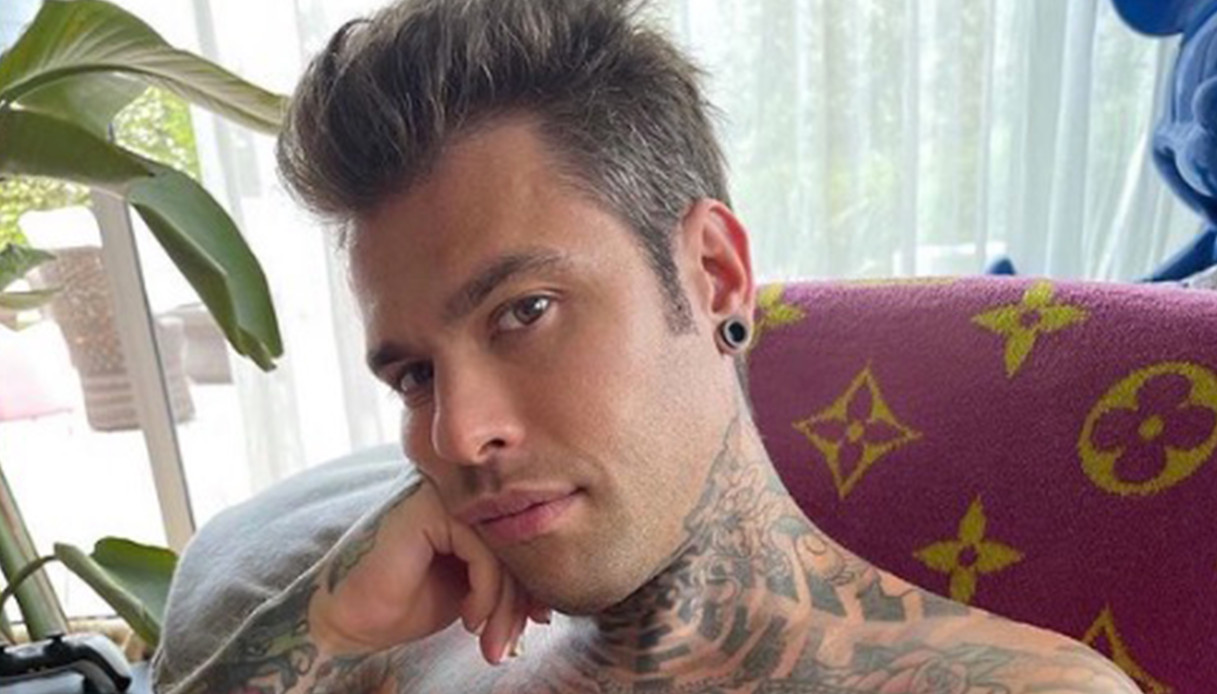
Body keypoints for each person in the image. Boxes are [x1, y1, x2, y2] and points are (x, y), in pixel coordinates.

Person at [155, 0, 1140, 692]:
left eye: (524, 311)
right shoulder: (392, 659)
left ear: (712, 273)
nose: (456, 434)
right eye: (414, 374)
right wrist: (325, 626)